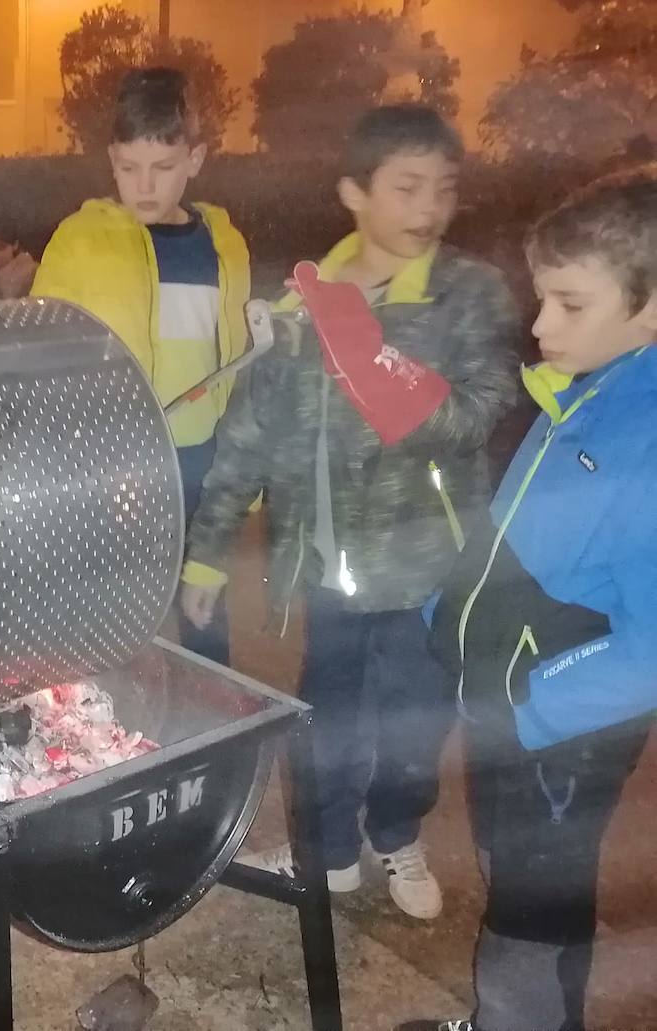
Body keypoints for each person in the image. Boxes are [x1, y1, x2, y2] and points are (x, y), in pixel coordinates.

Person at [180, 105, 521, 920]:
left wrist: (373, 356)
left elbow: (482, 409)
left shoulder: (467, 293)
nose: (428, 209)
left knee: (415, 723)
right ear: (353, 193)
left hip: (427, 562)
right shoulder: (301, 304)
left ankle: (396, 830)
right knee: (328, 710)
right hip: (327, 564)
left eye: (443, 188)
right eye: (406, 188)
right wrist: (206, 554)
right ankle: (329, 843)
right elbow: (248, 437)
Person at [400, 168, 657, 1031]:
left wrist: (533, 706)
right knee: (514, 868)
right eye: (541, 297)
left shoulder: (648, 434)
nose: (540, 325)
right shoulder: (592, 380)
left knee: (534, 906)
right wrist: (454, 609)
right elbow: (527, 528)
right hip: (514, 701)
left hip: (564, 729)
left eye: (570, 303)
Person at [32, 66, 251, 666]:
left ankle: (211, 743)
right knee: (114, 621)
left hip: (200, 463)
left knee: (205, 616)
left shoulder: (224, 244)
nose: (144, 185)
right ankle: (117, 739)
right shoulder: (78, 241)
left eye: (162, 168)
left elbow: (232, 352)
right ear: (111, 161)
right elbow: (39, 352)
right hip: (114, 467)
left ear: (195, 159)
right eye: (129, 168)